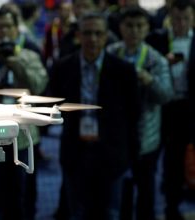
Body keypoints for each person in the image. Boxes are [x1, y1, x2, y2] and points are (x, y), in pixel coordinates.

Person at [50, 12, 140, 220]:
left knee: (110, 211)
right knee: (78, 212)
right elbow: (54, 103)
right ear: (79, 35)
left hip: (112, 152)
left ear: (106, 36)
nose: (93, 39)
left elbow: (133, 116)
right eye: (88, 33)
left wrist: (131, 156)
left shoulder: (123, 70)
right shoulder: (63, 67)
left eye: (98, 33)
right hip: (75, 150)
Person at [0, 8, 48, 220]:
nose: (3, 31)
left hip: (21, 138)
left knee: (19, 195)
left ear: (16, 29)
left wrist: (16, 63)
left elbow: (39, 86)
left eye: (8, 26)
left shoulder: (29, 55)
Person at [106, 6, 173, 220]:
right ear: (121, 28)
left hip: (147, 137)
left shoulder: (156, 60)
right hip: (117, 136)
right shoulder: (110, 54)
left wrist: (149, 80)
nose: (134, 31)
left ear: (146, 29)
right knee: (119, 193)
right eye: (129, 26)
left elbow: (166, 95)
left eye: (139, 26)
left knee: (146, 191)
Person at [146, 1, 195, 219]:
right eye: (176, 19)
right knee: (164, 161)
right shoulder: (157, 40)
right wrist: (163, 65)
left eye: (186, 19)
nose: (181, 23)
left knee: (185, 160)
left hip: (190, 108)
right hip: (163, 107)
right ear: (170, 18)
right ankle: (169, 208)